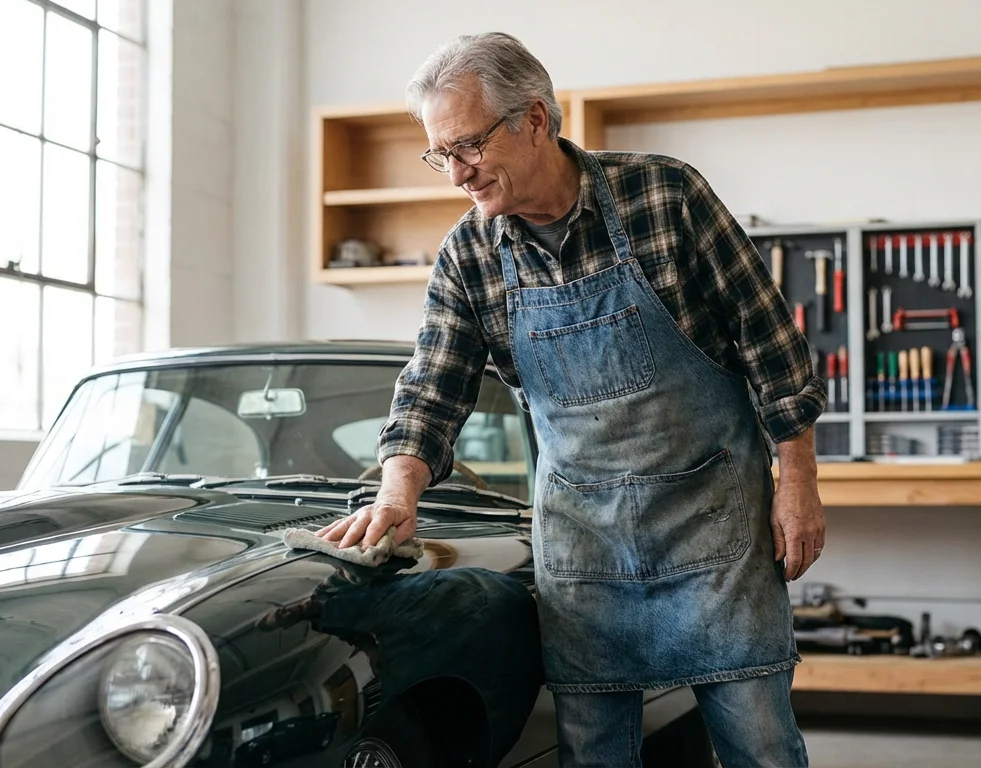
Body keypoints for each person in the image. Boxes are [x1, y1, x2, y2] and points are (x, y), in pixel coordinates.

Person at [315, 31, 826, 767]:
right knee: (591, 753)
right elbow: (432, 387)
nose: (456, 174)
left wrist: (799, 484)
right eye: (440, 155)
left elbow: (771, 344)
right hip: (585, 548)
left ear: (533, 121)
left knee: (759, 742)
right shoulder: (470, 255)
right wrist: (398, 496)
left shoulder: (665, 195)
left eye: (466, 147)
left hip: (714, 535)